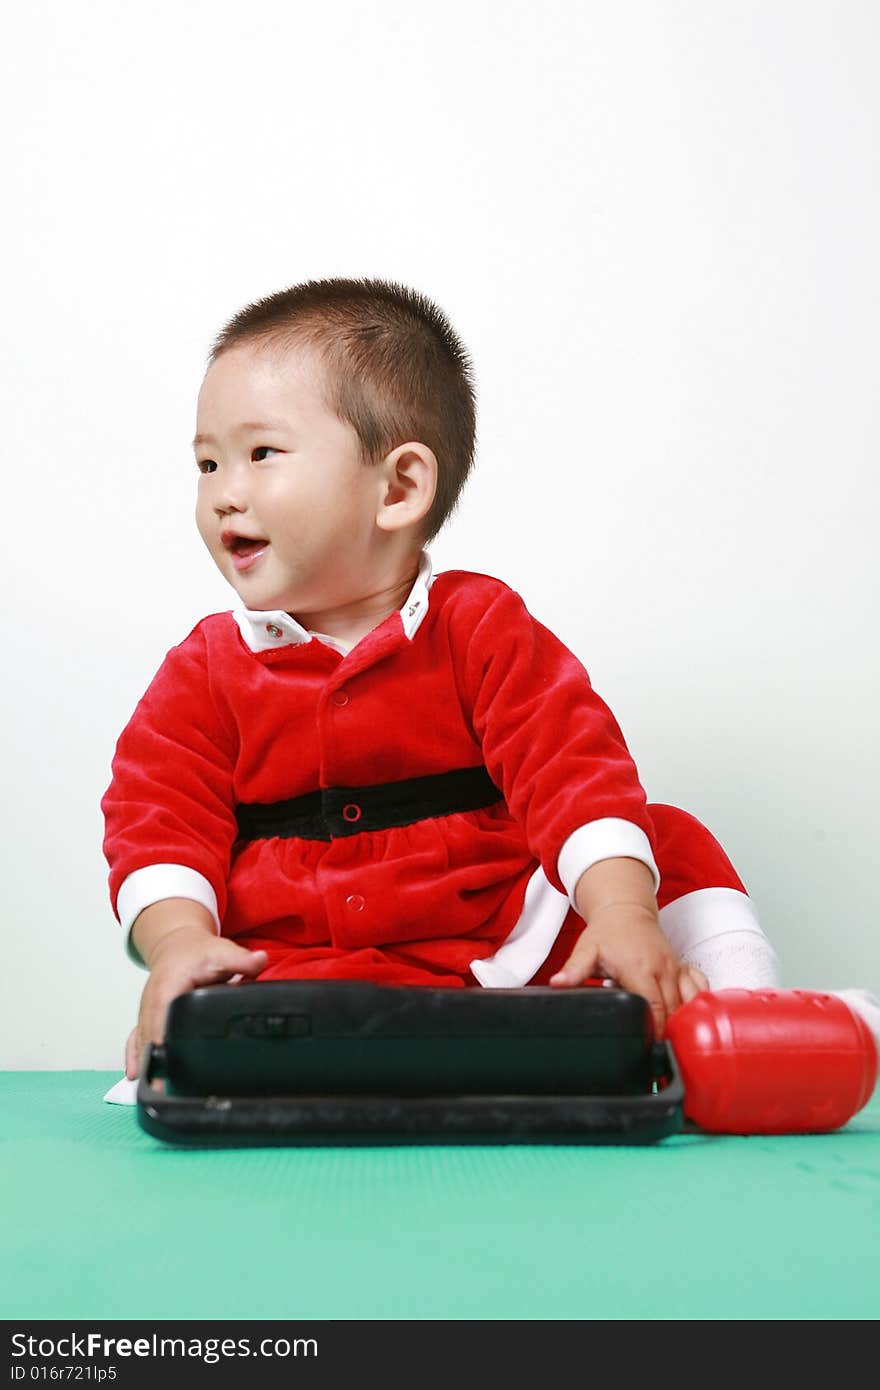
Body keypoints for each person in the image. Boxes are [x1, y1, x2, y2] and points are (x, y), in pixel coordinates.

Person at [101, 277, 782, 1085]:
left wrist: (622, 912)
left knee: (662, 841)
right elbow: (159, 818)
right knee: (236, 1004)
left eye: (259, 455)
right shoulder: (205, 669)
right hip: (305, 957)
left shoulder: (480, 626)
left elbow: (569, 767)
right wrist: (179, 942)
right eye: (207, 463)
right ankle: (306, 1042)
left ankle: (740, 1021)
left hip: (501, 939)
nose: (223, 494)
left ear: (398, 488)